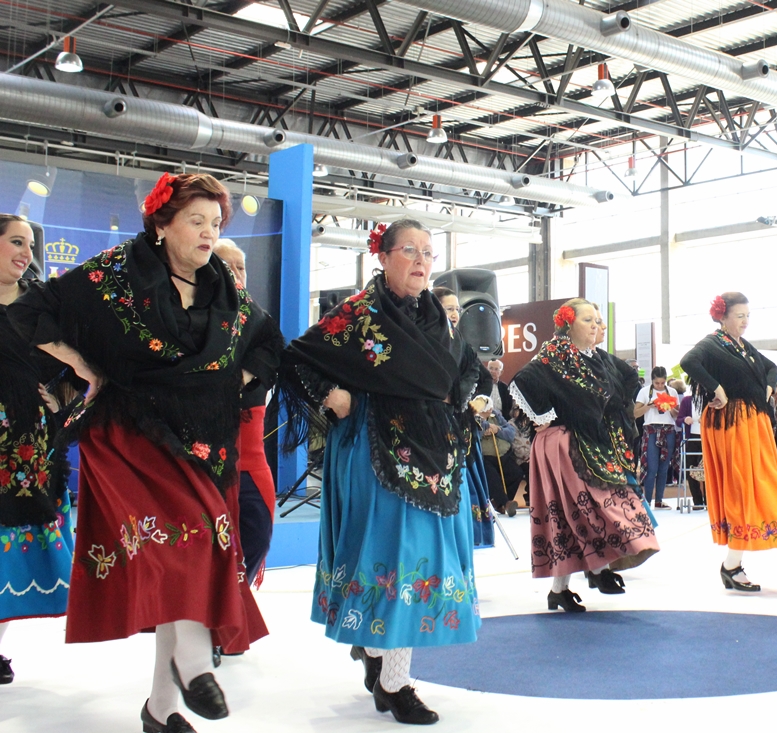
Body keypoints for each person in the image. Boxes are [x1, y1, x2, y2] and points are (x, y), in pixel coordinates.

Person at [9, 174, 282, 731]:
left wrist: (239, 379)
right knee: (183, 543)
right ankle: (191, 663)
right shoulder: (114, 274)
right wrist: (78, 362)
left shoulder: (223, 289)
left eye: (215, 223)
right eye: (196, 221)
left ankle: (162, 707)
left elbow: (267, 344)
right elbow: (32, 310)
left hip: (201, 440)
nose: (209, 233)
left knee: (198, 550)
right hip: (129, 434)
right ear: (162, 225)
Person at [280, 220, 482, 725]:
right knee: (394, 552)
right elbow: (297, 358)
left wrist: (460, 400)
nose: (420, 260)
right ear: (384, 256)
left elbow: (463, 369)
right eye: (409, 250)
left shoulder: (441, 317)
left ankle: (382, 661)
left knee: (424, 557)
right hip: (376, 449)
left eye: (429, 253)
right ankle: (394, 681)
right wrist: (332, 395)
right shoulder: (357, 315)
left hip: (435, 451)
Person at [511, 299, 659, 611]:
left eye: (597, 320)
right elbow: (523, 381)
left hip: (594, 442)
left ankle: (587, 575)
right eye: (588, 320)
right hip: (564, 444)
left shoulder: (598, 358)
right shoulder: (554, 355)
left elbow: (628, 379)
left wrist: (614, 412)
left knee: (588, 510)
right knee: (574, 512)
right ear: (568, 323)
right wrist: (544, 416)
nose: (596, 326)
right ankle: (589, 574)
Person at [681, 292, 777, 593]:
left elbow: (772, 367)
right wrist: (717, 388)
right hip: (731, 423)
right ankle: (732, 564)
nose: (745, 321)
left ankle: (733, 563)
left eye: (748, 315)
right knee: (742, 486)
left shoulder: (743, 346)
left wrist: (767, 386)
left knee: (760, 482)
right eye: (740, 316)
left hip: (752, 422)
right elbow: (688, 361)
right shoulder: (712, 343)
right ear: (722, 317)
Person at [0, 214, 76, 686]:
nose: (25, 252)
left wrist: (61, 400)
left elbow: (72, 366)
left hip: (29, 449)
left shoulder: (40, 308)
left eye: (29, 244)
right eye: (15, 241)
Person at [213, 239, 276, 586]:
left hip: (252, 467)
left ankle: (230, 625)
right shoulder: (189, 326)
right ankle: (214, 633)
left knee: (257, 539)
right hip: (204, 466)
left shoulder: (263, 329)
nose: (236, 273)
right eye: (227, 266)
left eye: (241, 267)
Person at [433, 285, 494, 546]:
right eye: (449, 308)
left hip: (462, 426)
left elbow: (484, 378)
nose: (456, 314)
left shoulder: (462, 343)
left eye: (457, 309)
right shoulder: (427, 340)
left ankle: (471, 534)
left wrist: (477, 399)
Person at [635, 366, 678, 510]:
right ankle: (646, 501)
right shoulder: (644, 391)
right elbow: (635, 413)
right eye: (657, 383)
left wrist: (670, 407)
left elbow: (676, 415)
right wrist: (649, 406)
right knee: (651, 467)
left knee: (664, 467)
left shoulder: (672, 391)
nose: (659, 386)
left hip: (668, 429)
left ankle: (659, 500)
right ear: (652, 380)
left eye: (662, 383)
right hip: (651, 429)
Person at [479, 405, 523, 516]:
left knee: (516, 473)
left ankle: (500, 503)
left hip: (503, 455)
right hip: (485, 458)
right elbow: (473, 433)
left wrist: (497, 429)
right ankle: (505, 503)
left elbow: (510, 432)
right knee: (493, 477)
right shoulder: (474, 418)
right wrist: (485, 428)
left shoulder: (496, 415)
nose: (489, 409)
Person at [676, 383, 706, 509]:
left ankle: (709, 500)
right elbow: (678, 419)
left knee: (706, 470)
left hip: (706, 438)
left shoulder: (709, 401)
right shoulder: (687, 401)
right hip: (691, 438)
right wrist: (685, 419)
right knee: (690, 469)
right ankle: (697, 501)